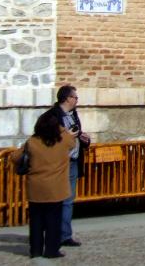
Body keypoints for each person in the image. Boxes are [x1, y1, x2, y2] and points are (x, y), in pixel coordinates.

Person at [19, 111, 76, 260]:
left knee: (36, 222)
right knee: (54, 221)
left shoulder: (32, 141)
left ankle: (35, 250)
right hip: (56, 188)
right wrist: (63, 130)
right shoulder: (63, 139)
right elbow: (72, 143)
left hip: (36, 187)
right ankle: (51, 250)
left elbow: (16, 157)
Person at [48, 85, 90, 248]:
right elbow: (48, 138)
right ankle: (53, 234)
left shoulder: (74, 115)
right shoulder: (52, 116)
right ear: (67, 98)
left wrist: (84, 139)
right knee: (56, 200)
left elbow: (77, 135)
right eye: (75, 97)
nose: (77, 100)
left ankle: (65, 235)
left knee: (68, 200)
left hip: (73, 161)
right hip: (59, 162)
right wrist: (66, 136)